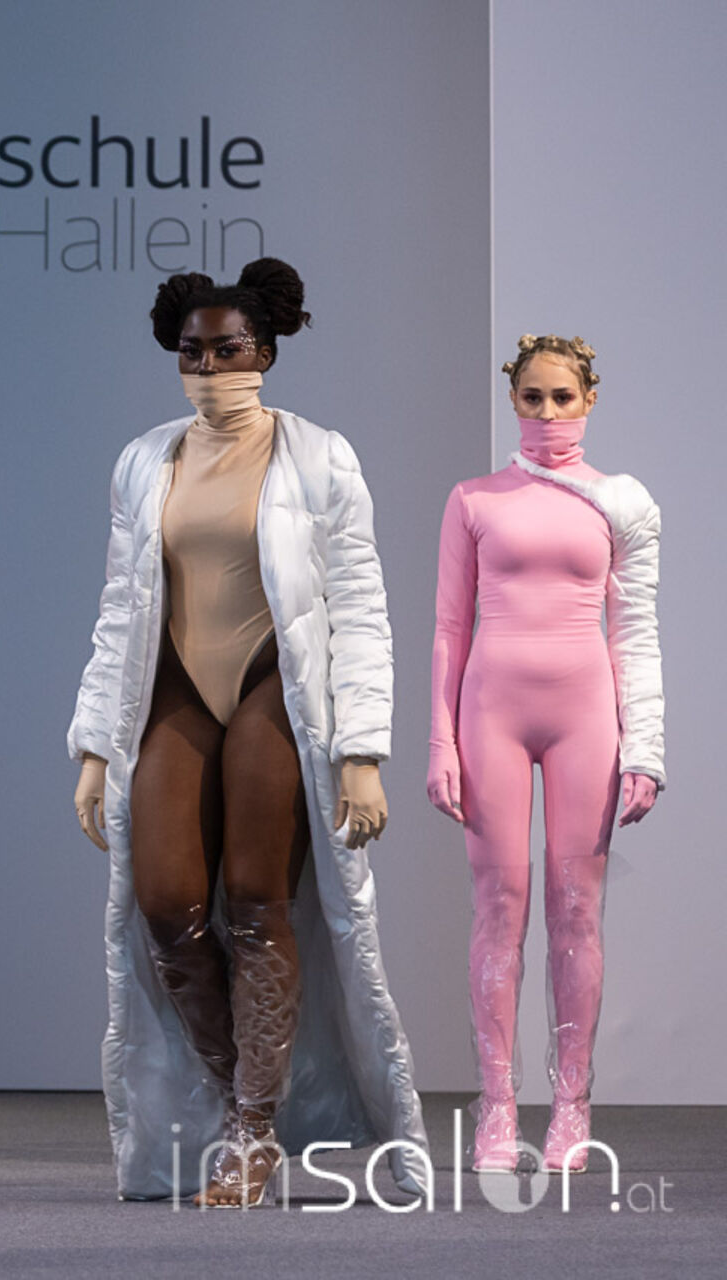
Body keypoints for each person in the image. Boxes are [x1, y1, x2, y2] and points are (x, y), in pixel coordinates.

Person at [67, 259, 426, 1206]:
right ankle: (237, 1103)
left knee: (258, 900)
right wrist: (96, 745)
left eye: (228, 350)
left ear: (265, 350)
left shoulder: (320, 457)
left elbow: (360, 603)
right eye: (192, 352)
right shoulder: (144, 460)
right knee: (165, 907)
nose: (209, 367)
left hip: (276, 682)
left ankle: (254, 1132)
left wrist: (361, 752)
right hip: (178, 688)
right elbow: (121, 606)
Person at [428, 334, 662, 1173]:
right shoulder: (473, 499)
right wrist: (440, 741)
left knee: (575, 909)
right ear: (513, 400)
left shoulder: (622, 502)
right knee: (500, 905)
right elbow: (449, 627)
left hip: (584, 716)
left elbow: (635, 630)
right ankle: (497, 1109)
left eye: (563, 396)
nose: (548, 411)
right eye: (533, 397)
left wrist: (647, 749)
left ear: (589, 399)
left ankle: (571, 1106)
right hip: (491, 712)